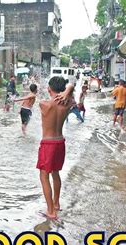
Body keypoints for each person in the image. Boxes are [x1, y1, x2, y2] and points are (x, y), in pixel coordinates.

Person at [36, 78, 74, 219]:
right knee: (55, 173)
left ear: (49, 89)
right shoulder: (68, 102)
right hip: (60, 142)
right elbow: (72, 86)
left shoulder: (44, 104)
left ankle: (51, 211)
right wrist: (68, 90)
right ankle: (56, 204)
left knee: (44, 175)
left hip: (48, 144)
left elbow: (39, 99)